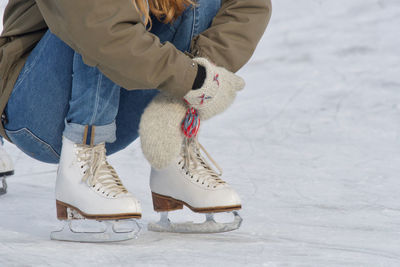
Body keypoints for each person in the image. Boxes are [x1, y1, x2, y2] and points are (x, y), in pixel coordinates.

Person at [0, 0, 272, 236]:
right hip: (34, 111)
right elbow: (100, 28)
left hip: (117, 108)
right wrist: (190, 79)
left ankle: (171, 150)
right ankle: (83, 157)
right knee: (95, 17)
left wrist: (202, 73)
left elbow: (249, 6)